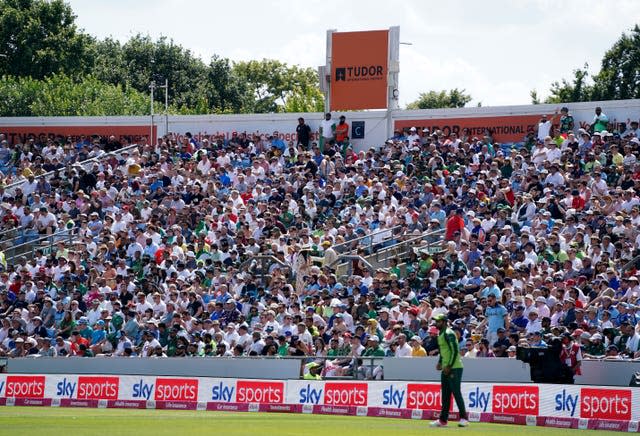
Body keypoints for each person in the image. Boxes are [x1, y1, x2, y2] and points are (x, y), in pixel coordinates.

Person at [430, 313, 468, 428]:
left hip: (454, 367)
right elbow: (443, 351)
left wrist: (449, 366)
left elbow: (455, 350)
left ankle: (464, 418)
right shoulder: (440, 334)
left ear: (444, 322)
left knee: (456, 392)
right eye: (436, 321)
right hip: (447, 367)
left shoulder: (449, 333)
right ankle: (443, 420)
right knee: (445, 395)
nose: (436, 323)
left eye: (438, 321)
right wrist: (440, 362)